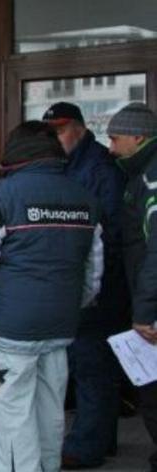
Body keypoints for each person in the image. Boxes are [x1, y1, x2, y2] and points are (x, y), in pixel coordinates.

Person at [0, 121, 102, 472]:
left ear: (13, 154)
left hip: (10, 331)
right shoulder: (84, 199)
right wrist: (74, 307)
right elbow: (93, 271)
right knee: (50, 413)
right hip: (61, 327)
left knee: (12, 418)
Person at [42, 102, 128, 469]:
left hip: (98, 283)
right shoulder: (65, 165)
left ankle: (86, 445)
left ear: (79, 128)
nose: (56, 138)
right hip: (75, 280)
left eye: (60, 130)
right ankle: (100, 438)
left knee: (91, 363)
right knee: (90, 364)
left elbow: (108, 231)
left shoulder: (98, 167)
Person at [105, 102, 157, 472]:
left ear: (139, 137)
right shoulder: (137, 175)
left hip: (152, 312)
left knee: (153, 394)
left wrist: (146, 311)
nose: (110, 147)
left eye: (115, 138)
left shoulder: (151, 179)